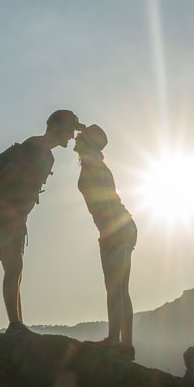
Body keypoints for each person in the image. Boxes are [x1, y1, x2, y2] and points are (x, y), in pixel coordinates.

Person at [0, 109, 84, 334]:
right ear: (57, 128)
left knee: (15, 267)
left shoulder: (46, 154)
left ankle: (17, 324)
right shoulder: (36, 148)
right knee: (14, 266)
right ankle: (15, 325)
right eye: (70, 131)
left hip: (14, 214)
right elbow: (8, 174)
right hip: (5, 212)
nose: (71, 137)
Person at [74, 124, 137, 359]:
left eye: (81, 137)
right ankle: (125, 344)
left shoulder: (94, 167)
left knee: (114, 287)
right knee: (120, 288)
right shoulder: (95, 165)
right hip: (123, 226)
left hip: (115, 228)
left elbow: (107, 204)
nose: (77, 138)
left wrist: (109, 233)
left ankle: (114, 340)